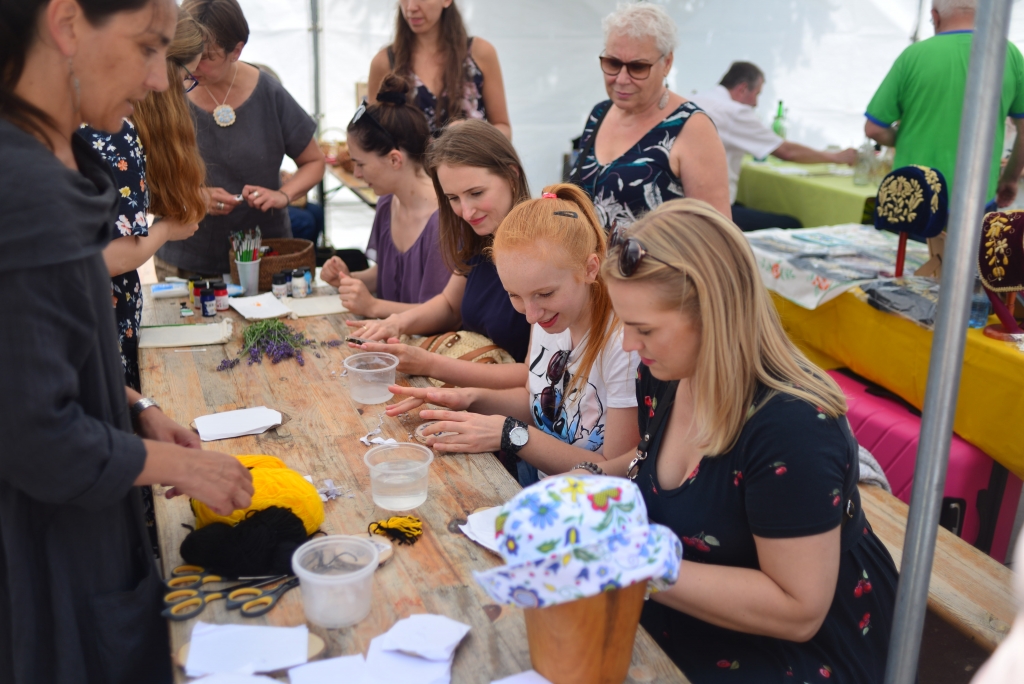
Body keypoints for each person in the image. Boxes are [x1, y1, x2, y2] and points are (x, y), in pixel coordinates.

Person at [0, 1, 254, 681]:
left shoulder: (52, 162)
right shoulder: (22, 191)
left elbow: (40, 363)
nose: (155, 80)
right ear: (66, 25)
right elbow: (33, 435)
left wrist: (135, 406)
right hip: (48, 582)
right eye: (147, 48)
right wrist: (177, 466)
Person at [583, 198, 898, 682]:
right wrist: (580, 484)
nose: (627, 343)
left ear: (714, 314)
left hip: (792, 653)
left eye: (643, 328)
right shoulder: (666, 375)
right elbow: (645, 466)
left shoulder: (792, 427)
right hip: (694, 617)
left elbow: (798, 610)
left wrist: (631, 565)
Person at [384, 184, 641, 487]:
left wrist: (511, 434)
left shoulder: (624, 345)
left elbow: (615, 470)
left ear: (590, 268)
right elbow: (534, 401)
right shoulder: (548, 316)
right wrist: (468, 398)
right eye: (514, 295)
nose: (530, 315)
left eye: (545, 293)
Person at [77, 7, 208, 391]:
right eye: (186, 78)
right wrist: (167, 229)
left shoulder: (87, 122)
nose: (179, 89)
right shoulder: (117, 132)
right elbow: (115, 256)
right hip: (99, 327)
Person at [156, 0, 326, 278]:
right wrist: (193, 196)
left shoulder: (269, 93)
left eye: (206, 56)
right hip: (185, 261)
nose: (194, 64)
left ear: (236, 50)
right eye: (188, 52)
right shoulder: (166, 90)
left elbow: (314, 161)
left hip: (265, 259)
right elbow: (144, 173)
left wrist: (283, 195)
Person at [349, 120, 532, 377]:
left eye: (476, 193)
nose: (466, 212)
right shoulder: (479, 238)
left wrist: (431, 364)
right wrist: (396, 323)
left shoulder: (542, 250)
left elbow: (533, 376)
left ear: (512, 176)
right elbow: (449, 306)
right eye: (453, 198)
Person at [569, 2, 730, 231]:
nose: (621, 79)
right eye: (613, 63)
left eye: (638, 68)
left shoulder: (692, 128)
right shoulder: (599, 113)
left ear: (667, 63)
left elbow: (718, 234)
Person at [865, 0, 1024, 211]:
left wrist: (903, 138)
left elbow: (874, 129)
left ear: (935, 17)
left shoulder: (913, 55)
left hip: (912, 197)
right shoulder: (1009, 54)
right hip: (976, 197)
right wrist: (1010, 178)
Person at [320, 74, 449, 317]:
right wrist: (348, 279)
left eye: (361, 164)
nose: (356, 174)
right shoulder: (388, 202)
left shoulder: (443, 219)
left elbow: (443, 313)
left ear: (394, 159)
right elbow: (387, 274)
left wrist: (372, 306)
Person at [691, 62, 857, 231]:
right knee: (792, 224)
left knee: (747, 206)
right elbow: (786, 152)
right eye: (757, 94)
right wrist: (836, 157)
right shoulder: (734, 111)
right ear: (742, 88)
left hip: (683, 203)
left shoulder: (694, 100)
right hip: (710, 211)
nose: (756, 103)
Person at [368, 0, 511, 138]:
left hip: (470, 155)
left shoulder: (480, 52)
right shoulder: (384, 62)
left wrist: (473, 135)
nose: (411, 7)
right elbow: (372, 136)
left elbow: (504, 128)